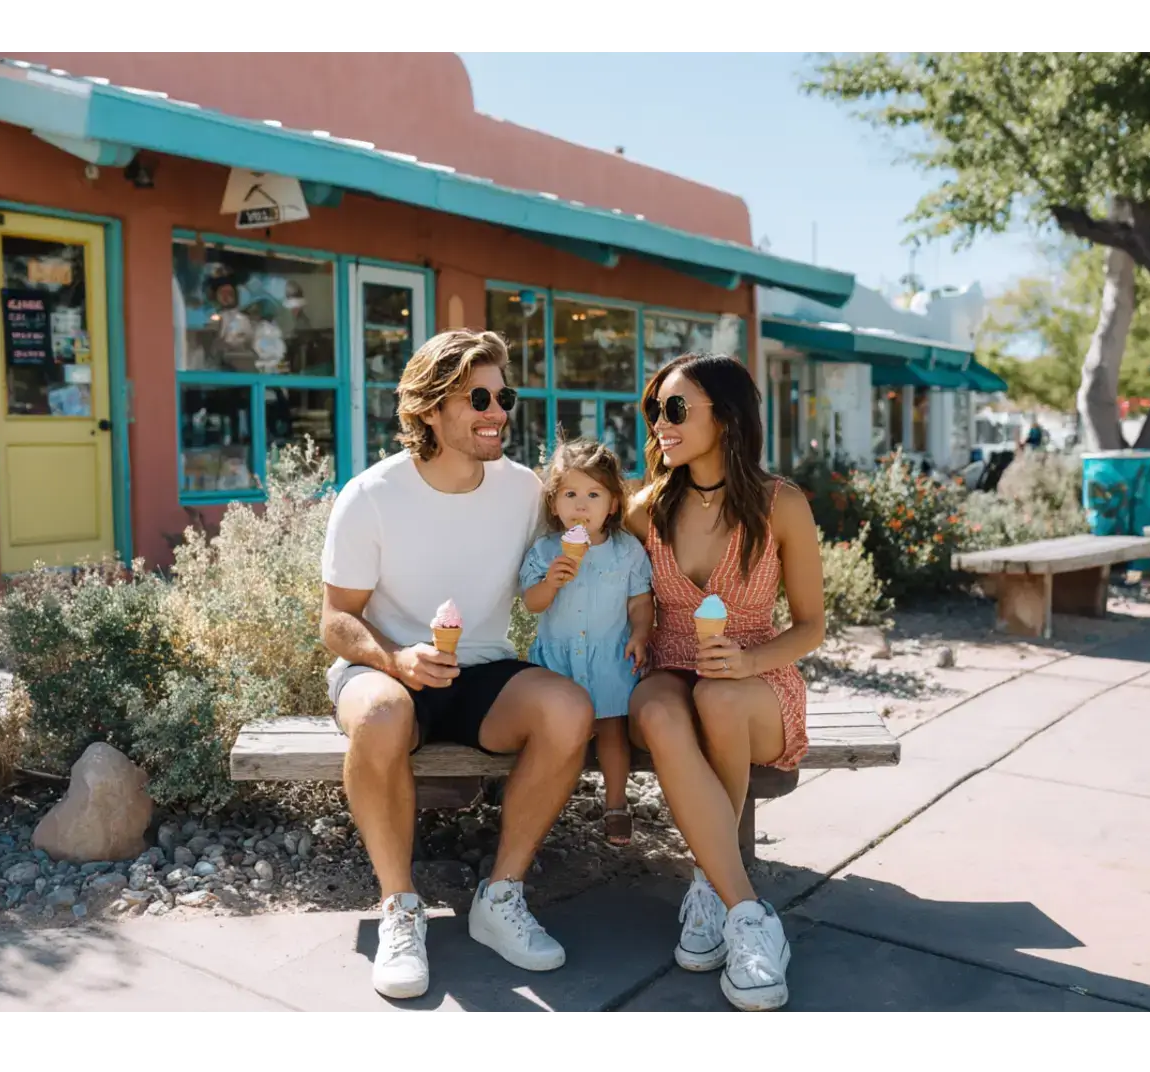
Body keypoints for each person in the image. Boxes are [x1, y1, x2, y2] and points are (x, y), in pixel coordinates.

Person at [319, 329, 596, 1001]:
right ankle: (399, 908)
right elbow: (335, 622)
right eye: (479, 398)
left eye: (505, 397)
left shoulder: (522, 490)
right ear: (429, 407)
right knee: (381, 714)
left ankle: (500, 898)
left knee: (569, 710)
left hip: (483, 670)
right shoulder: (371, 494)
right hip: (385, 670)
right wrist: (394, 658)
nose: (498, 412)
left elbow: (596, 516)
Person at [625, 353, 826, 1013]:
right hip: (666, 668)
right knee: (660, 710)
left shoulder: (781, 504)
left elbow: (811, 626)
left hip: (755, 680)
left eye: (676, 408)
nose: (661, 423)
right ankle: (744, 910)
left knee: (716, 695)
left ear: (728, 417)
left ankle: (710, 888)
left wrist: (746, 661)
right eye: (654, 410)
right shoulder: (645, 509)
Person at [519, 439, 654, 846]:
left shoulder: (626, 551)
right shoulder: (545, 550)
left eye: (594, 495)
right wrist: (550, 583)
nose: (581, 506)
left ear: (613, 504)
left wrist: (641, 634)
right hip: (557, 663)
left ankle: (616, 803)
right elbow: (531, 603)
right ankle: (554, 803)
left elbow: (640, 601)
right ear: (554, 503)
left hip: (609, 657)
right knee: (563, 735)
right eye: (570, 495)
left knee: (612, 730)